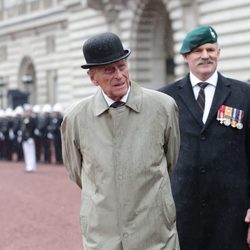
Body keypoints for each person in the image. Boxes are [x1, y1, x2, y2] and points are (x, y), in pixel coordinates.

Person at [61, 32, 180, 250]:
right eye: (109, 70)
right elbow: (77, 173)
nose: (119, 75)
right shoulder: (75, 118)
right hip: (102, 234)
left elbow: (170, 161)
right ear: (92, 77)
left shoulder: (163, 107)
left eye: (122, 66)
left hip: (155, 233)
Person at [159, 25, 250, 250]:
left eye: (210, 49)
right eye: (198, 51)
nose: (205, 55)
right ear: (185, 56)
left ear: (219, 52)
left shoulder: (244, 95)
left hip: (232, 216)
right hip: (182, 214)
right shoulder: (164, 98)